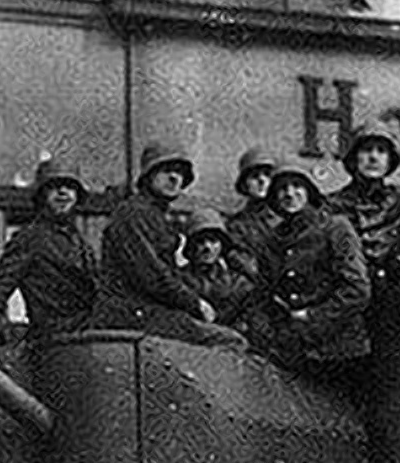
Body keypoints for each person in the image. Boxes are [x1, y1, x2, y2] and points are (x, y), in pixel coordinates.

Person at [89, 141, 248, 350]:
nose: (175, 177)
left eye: (180, 173)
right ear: (148, 176)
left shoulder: (156, 216)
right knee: (230, 341)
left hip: (147, 312)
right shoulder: (133, 214)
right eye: (166, 170)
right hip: (130, 313)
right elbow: (153, 275)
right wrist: (195, 303)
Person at [245, 158, 371, 378]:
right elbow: (262, 295)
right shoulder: (272, 241)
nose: (289, 194)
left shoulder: (336, 228)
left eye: (297, 186)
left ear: (309, 191)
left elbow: (358, 289)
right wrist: (265, 333)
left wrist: (312, 318)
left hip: (338, 351)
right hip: (292, 350)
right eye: (282, 188)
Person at [0, 157, 98, 351]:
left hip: (86, 340)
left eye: (70, 187)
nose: (62, 192)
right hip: (52, 343)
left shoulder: (82, 244)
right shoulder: (30, 239)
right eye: (54, 187)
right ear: (42, 196)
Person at [330, 121, 400, 283]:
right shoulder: (334, 205)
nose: (373, 157)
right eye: (367, 150)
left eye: (381, 151)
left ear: (389, 161)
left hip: (395, 285)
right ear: (354, 157)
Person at [183, 207, 257, 335]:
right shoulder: (180, 279)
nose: (207, 247)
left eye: (213, 241)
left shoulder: (238, 282)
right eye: (200, 241)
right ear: (191, 246)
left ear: (222, 245)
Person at [224, 145, 280, 280]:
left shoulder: (289, 217)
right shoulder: (237, 226)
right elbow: (245, 266)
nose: (261, 180)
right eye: (255, 176)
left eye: (267, 175)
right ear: (244, 185)